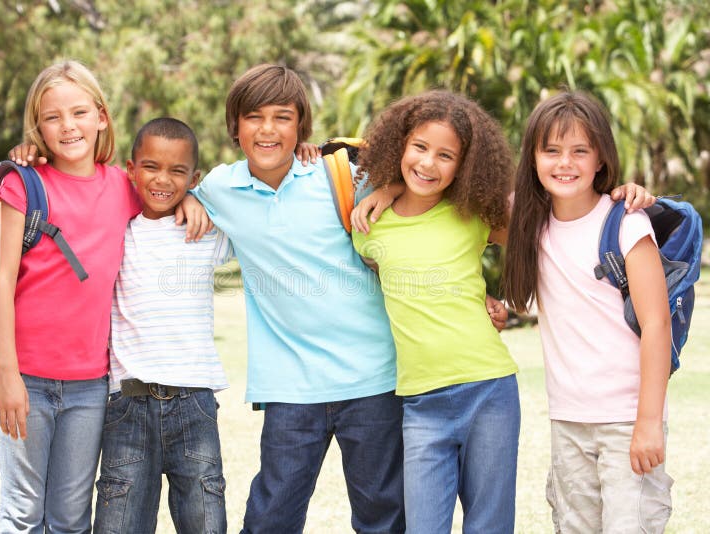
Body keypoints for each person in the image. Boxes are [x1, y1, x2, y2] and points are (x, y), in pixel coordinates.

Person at [183, 63, 406, 533]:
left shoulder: (338, 173)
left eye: (283, 118)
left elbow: (420, 182)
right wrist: (188, 198)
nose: (268, 130)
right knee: (270, 518)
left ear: (300, 127)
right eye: (254, 117)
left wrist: (389, 187)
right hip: (290, 388)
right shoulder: (221, 188)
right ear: (235, 127)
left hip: (372, 378)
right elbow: (163, 189)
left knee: (384, 518)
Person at [502, 90, 673, 533]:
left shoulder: (626, 222)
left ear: (601, 159)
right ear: (533, 158)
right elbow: (447, 210)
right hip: (568, 421)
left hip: (627, 419)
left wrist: (649, 423)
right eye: (552, 151)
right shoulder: (525, 221)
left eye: (580, 151)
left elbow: (656, 325)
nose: (565, 163)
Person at [350, 90, 520, 533]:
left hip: (489, 391)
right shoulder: (369, 226)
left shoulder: (476, 215)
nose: (428, 164)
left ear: (465, 166)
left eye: (446, 156)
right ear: (400, 145)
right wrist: (386, 187)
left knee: (489, 526)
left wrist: (619, 190)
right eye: (420, 147)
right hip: (421, 403)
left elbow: (547, 214)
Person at [0, 60, 140, 532]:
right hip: (24, 380)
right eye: (53, 117)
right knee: (23, 513)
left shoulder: (123, 187)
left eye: (78, 112)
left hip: (90, 386)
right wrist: (6, 376)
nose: (68, 126)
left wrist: (192, 200)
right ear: (38, 126)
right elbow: (0, 284)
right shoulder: (21, 185)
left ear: (101, 116)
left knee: (72, 518)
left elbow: (169, 190)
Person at [91, 118, 232, 533]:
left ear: (195, 177)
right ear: (130, 169)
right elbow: (81, 181)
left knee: (206, 522)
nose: (162, 180)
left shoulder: (208, 231)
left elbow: (251, 192)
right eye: (151, 167)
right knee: (119, 524)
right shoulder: (117, 229)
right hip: (128, 406)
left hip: (195, 404)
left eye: (178, 171)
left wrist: (199, 198)